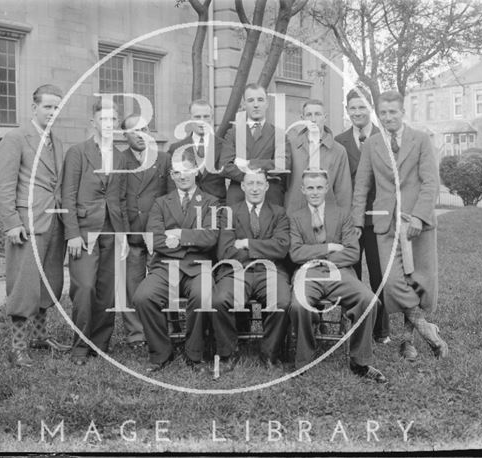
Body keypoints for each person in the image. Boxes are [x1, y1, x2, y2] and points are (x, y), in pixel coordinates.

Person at [352, 90, 448, 361]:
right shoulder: (372, 144)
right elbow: (362, 186)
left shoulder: (421, 140)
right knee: (392, 284)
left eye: (393, 112)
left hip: (417, 224)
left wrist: (418, 216)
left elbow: (430, 182)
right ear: (378, 115)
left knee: (417, 282)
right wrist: (358, 222)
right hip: (386, 225)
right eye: (383, 113)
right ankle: (426, 329)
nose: (388, 117)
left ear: (403, 113)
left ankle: (408, 342)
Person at [0, 84, 70, 368]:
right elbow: (3, 185)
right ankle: (17, 347)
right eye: (47, 106)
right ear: (34, 108)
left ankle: (40, 337)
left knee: (48, 282)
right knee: (23, 286)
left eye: (56, 107)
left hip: (54, 223)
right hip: (27, 225)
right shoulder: (16, 138)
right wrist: (12, 223)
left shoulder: (57, 142)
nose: (52, 112)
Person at [288, 171, 387, 383]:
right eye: (310, 188)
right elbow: (296, 253)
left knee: (369, 301)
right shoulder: (295, 217)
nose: (315, 192)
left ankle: (360, 361)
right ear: (303, 190)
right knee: (298, 305)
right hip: (308, 273)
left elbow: (352, 252)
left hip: (340, 271)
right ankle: (303, 360)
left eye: (319, 187)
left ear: (326, 188)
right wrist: (330, 247)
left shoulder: (342, 215)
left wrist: (315, 253)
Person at [133, 157, 219, 373]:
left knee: (202, 296)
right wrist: (190, 242)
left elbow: (210, 237)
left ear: (196, 173)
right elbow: (155, 238)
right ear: (171, 176)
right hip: (165, 266)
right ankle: (161, 353)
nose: (183, 176)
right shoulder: (161, 203)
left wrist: (179, 234)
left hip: (199, 266)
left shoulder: (211, 202)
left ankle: (194, 353)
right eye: (177, 172)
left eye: (187, 171)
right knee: (143, 297)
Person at [61, 99, 129, 365]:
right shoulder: (78, 152)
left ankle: (100, 344)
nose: (109, 125)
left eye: (113, 120)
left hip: (112, 230)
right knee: (85, 288)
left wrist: (123, 235)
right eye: (104, 120)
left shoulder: (121, 157)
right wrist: (72, 234)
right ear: (94, 123)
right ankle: (80, 346)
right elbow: (67, 196)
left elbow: (121, 200)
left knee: (106, 290)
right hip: (84, 231)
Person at [212, 169, 291, 373]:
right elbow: (225, 251)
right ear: (243, 186)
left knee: (281, 301)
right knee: (220, 300)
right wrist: (265, 249)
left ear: (266, 186)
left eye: (259, 183)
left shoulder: (279, 213)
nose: (255, 188)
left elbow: (281, 247)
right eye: (250, 184)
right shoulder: (229, 213)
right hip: (237, 271)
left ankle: (270, 354)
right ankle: (228, 354)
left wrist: (247, 243)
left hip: (270, 272)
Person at [335, 88, 389, 344]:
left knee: (379, 274)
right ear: (347, 111)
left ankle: (381, 330)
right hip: (350, 221)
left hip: (377, 218)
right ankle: (353, 328)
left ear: (371, 109)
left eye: (362, 107)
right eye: (352, 108)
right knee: (351, 275)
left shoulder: (385, 138)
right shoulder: (339, 141)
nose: (357, 112)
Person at [122, 113, 173, 348]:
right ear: (125, 136)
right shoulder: (119, 160)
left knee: (159, 282)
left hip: (157, 234)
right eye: (135, 131)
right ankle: (135, 333)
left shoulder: (164, 158)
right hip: (131, 232)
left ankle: (162, 327)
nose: (141, 135)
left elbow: (171, 198)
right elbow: (116, 198)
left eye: (145, 129)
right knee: (131, 283)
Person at [220, 83, 292, 206]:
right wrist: (260, 173)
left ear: (267, 103)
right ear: (243, 104)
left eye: (260, 99)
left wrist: (250, 163)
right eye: (250, 100)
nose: (256, 105)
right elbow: (225, 166)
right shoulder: (233, 133)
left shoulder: (278, 134)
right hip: (239, 195)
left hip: (270, 196)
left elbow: (283, 164)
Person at [285, 99, 352, 215]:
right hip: (294, 215)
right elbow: (283, 184)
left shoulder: (338, 151)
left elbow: (343, 191)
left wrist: (343, 221)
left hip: (327, 217)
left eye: (318, 114)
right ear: (302, 118)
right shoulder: (291, 146)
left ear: (325, 117)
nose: (313, 119)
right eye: (309, 115)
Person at [168, 99, 227, 204]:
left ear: (212, 118)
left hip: (216, 207)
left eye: (206, 116)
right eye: (197, 117)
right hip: (187, 208)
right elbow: (171, 183)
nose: (202, 121)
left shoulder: (224, 146)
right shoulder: (176, 148)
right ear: (190, 119)